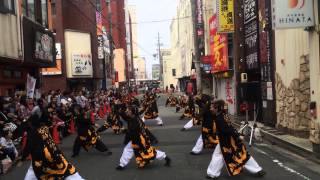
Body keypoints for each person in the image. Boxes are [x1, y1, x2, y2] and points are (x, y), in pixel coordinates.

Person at [206, 100, 265, 179]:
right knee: (242, 154)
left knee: (219, 155)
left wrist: (237, 135)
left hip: (226, 141)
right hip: (230, 140)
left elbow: (227, 130)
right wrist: (237, 135)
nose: (210, 109)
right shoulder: (224, 115)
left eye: (212, 107)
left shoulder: (219, 118)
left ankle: (212, 174)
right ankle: (257, 169)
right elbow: (230, 127)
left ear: (217, 108)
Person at [17, 111, 84, 180]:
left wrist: (22, 159)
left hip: (41, 158)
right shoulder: (44, 128)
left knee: (37, 172)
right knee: (65, 171)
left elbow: (28, 147)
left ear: (31, 123)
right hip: (53, 152)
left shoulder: (33, 133)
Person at [116, 105, 170, 170]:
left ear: (132, 112)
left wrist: (125, 137)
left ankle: (165, 157)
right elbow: (125, 117)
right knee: (129, 149)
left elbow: (131, 133)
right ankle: (122, 164)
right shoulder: (133, 117)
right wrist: (119, 111)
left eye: (128, 110)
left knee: (148, 151)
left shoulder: (135, 121)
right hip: (137, 138)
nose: (127, 111)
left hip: (140, 140)